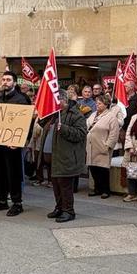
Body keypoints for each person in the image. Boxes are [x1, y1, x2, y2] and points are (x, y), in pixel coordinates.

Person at [0, 70, 30, 216]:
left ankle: (17, 203)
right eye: (4, 79)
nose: (5, 82)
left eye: (8, 80)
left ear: (14, 82)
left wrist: (21, 141)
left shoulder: (21, 99)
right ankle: (2, 200)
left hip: (12, 144)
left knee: (13, 173)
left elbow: (26, 123)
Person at [48, 89, 87, 223]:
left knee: (65, 186)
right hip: (56, 156)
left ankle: (69, 211)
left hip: (68, 156)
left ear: (63, 100)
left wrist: (63, 128)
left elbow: (81, 134)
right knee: (56, 185)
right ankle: (59, 207)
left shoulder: (76, 114)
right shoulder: (55, 114)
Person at [86, 94, 121, 198]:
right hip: (91, 146)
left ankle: (105, 190)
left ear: (106, 104)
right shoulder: (93, 114)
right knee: (93, 168)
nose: (97, 105)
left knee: (103, 170)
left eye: (100, 103)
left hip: (102, 146)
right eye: (97, 103)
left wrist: (108, 146)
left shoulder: (111, 117)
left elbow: (114, 134)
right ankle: (97, 188)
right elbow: (88, 126)